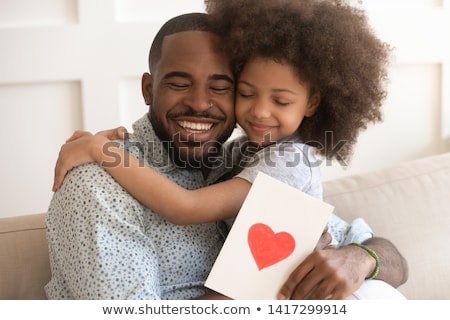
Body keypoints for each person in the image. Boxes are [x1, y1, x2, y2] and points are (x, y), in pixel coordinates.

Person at [47, 5, 407, 300]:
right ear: (148, 88)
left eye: (222, 87)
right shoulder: (96, 183)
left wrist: (358, 259)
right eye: (179, 83)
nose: (200, 103)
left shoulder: (247, 160)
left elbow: (393, 261)